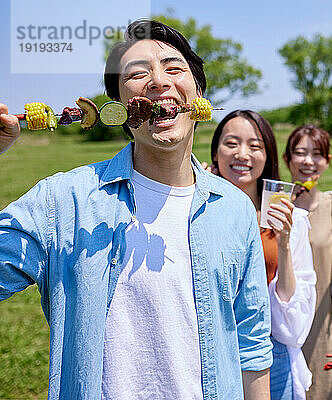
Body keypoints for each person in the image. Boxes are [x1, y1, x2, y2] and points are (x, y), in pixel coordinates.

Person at [0, 20, 272, 399]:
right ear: (119, 107)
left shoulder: (236, 209)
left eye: (174, 68)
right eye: (137, 73)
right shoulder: (62, 201)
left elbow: (252, 341)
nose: (159, 81)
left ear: (198, 91)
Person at [208, 110, 317, 400]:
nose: (242, 154)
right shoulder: (194, 214)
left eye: (255, 146)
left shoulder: (291, 221)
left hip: (272, 355)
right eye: (231, 144)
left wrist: (282, 243)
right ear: (215, 153)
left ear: (267, 155)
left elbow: (293, 327)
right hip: (209, 353)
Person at [282, 125, 332, 400]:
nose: (308, 161)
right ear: (287, 159)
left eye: (317, 154)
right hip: (285, 324)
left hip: (324, 321)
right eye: (300, 153)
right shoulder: (276, 206)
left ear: (327, 161)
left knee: (328, 390)